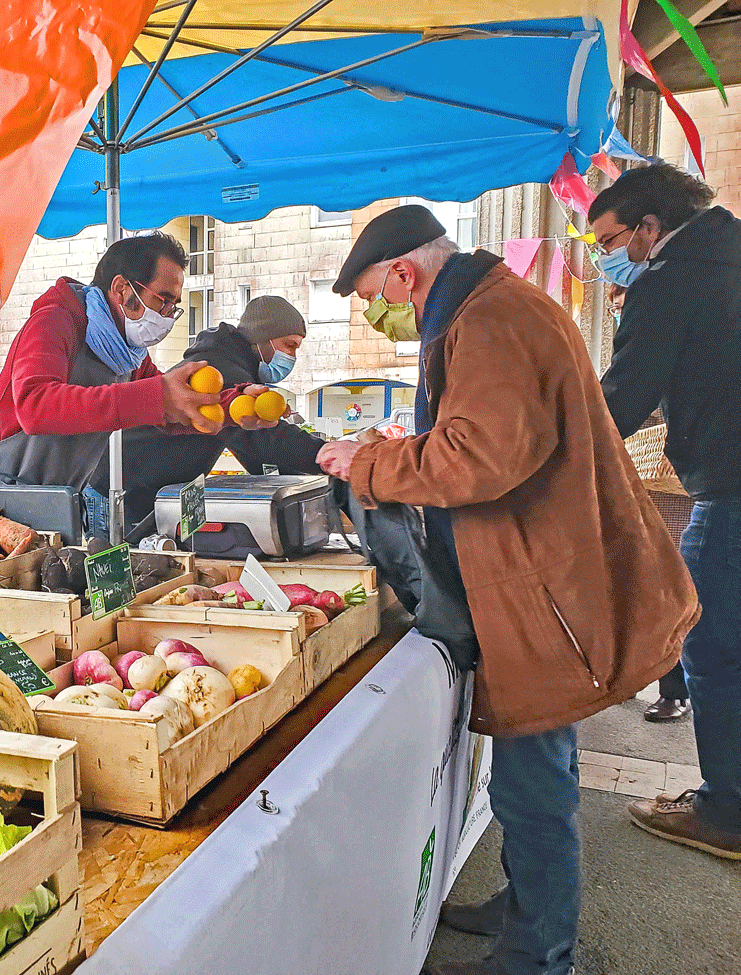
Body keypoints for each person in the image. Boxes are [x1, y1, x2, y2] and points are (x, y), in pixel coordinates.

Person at [317, 205, 698, 975]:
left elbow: (478, 456)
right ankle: (531, 902)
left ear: (403, 273)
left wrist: (363, 462)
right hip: (535, 574)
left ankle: (538, 952)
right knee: (540, 771)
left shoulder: (490, 319)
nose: (378, 313)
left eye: (372, 297)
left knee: (533, 780)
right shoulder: (489, 307)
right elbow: (487, 435)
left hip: (543, 589)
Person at [590, 163, 741, 856]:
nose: (609, 257)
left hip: (731, 487)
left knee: (709, 644)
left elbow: (617, 403)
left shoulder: (669, 280)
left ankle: (725, 810)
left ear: (651, 228)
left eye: (612, 240)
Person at [0, 233, 280, 506]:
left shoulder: (128, 355)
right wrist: (157, 396)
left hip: (55, 500)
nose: (166, 314)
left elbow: (170, 409)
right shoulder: (54, 321)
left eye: (173, 306)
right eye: (162, 300)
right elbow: (35, 405)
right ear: (122, 289)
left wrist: (232, 406)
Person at [86, 295, 325, 532]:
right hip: (119, 493)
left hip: (140, 494)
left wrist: (299, 486)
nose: (292, 357)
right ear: (264, 338)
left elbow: (255, 450)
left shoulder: (231, 367)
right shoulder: (217, 370)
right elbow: (264, 438)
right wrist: (324, 455)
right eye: (289, 345)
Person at [608, 283, 691, 723]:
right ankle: (631, 678)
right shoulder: (633, 354)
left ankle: (675, 690)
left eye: (623, 306)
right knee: (636, 590)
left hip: (678, 495)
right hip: (642, 491)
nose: (618, 314)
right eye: (615, 309)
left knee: (672, 592)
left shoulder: (671, 348)